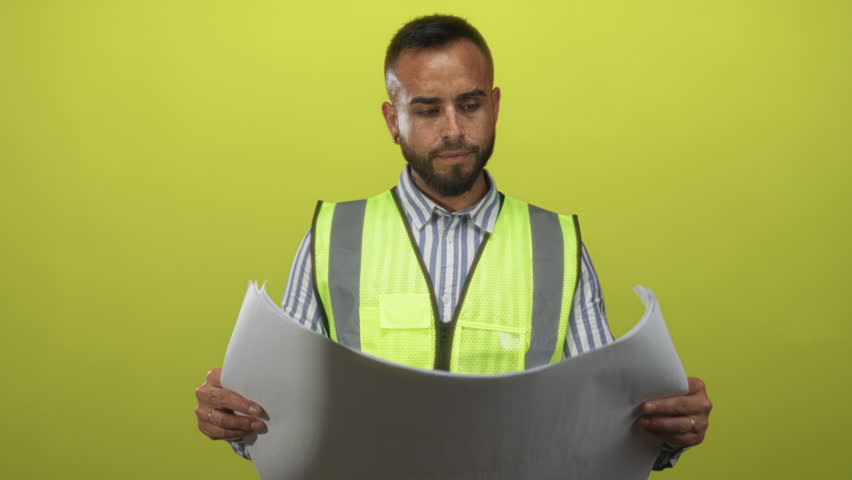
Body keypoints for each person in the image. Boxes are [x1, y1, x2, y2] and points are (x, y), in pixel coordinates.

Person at [194, 14, 712, 471]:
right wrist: (236, 421)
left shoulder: (557, 244)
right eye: (426, 111)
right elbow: (280, 419)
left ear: (496, 105)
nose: (453, 130)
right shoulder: (332, 236)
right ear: (391, 120)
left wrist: (667, 433)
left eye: (470, 104)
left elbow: (604, 426)